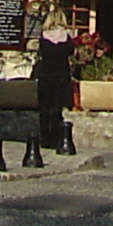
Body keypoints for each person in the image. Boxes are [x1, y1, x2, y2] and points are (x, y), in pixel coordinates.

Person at [33, 17, 78, 157]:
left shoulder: (44, 37)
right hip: (61, 75)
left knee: (44, 108)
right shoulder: (67, 38)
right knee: (57, 109)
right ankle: (56, 139)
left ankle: (44, 138)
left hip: (46, 74)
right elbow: (71, 52)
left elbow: (41, 52)